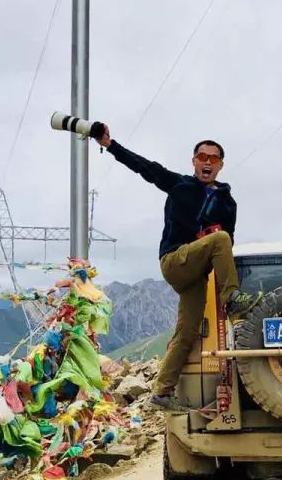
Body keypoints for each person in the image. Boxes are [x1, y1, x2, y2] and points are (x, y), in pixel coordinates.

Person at [95, 126, 262, 412]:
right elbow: (144, 167)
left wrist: (210, 239)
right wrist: (109, 144)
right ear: (194, 161)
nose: (207, 162)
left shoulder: (227, 203)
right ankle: (232, 300)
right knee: (219, 239)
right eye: (202, 157)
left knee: (187, 333)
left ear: (220, 165)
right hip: (174, 260)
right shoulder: (179, 185)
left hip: (196, 272)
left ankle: (161, 393)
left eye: (213, 158)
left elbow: (228, 241)